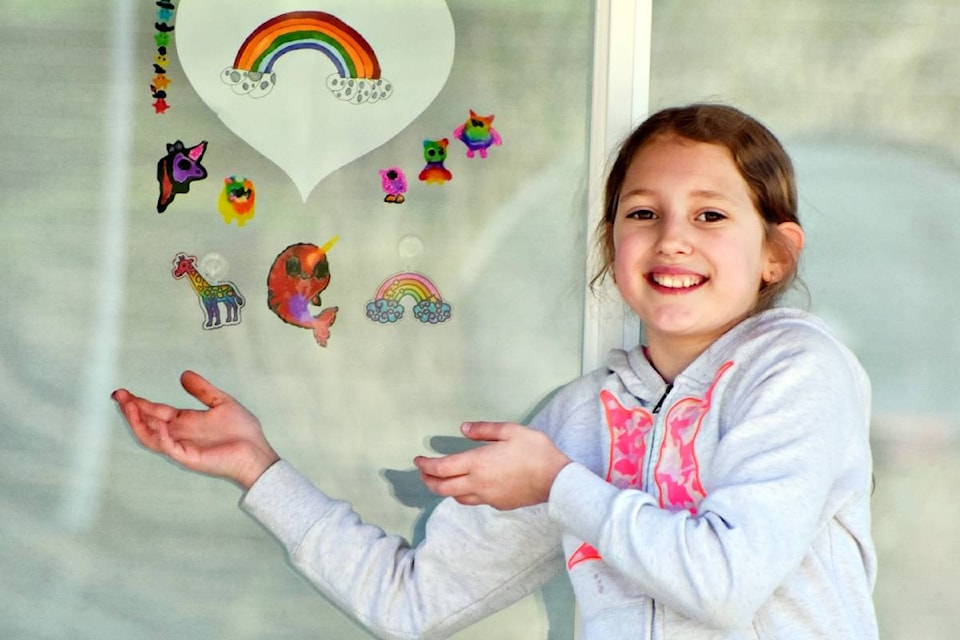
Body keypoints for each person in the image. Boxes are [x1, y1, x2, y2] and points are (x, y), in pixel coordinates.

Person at [113, 103, 878, 639]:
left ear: (776, 253)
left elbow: (725, 584)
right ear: (614, 246)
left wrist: (559, 487)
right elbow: (412, 604)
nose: (674, 238)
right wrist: (259, 467)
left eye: (711, 215)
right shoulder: (577, 423)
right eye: (644, 213)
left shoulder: (798, 370)